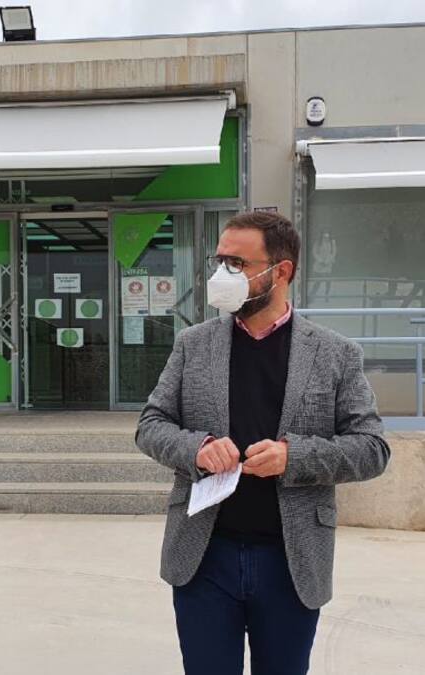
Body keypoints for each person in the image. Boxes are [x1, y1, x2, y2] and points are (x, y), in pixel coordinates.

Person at [137, 211, 390, 675]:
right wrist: (198, 447)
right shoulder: (193, 345)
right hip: (204, 555)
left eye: (238, 263)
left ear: (282, 271)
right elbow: (151, 424)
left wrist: (294, 457)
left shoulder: (334, 353)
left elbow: (372, 448)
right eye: (219, 262)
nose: (222, 275)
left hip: (291, 562)